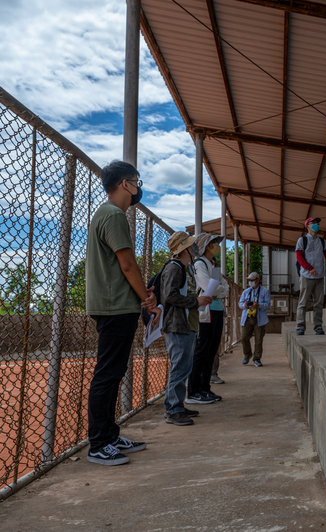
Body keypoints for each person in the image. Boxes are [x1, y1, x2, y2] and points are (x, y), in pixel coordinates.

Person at [85, 160, 158, 466]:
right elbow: (127, 264)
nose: (138, 187)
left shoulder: (106, 214)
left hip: (114, 305)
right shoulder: (114, 214)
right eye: (136, 181)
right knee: (107, 374)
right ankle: (99, 443)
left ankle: (110, 436)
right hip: (115, 306)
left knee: (112, 374)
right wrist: (147, 298)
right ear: (126, 183)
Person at [161, 231, 213, 426]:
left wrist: (197, 300)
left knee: (184, 366)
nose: (194, 249)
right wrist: (195, 301)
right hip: (177, 324)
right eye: (190, 246)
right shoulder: (174, 268)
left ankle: (177, 406)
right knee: (179, 367)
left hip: (186, 323)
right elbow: (170, 295)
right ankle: (173, 409)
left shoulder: (184, 268)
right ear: (184, 249)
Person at [186, 233, 229, 404]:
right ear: (205, 246)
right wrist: (218, 290)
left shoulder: (214, 264)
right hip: (205, 313)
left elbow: (224, 287)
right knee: (202, 351)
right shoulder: (199, 264)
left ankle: (205, 389)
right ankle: (194, 391)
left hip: (217, 311)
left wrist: (218, 290)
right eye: (213, 243)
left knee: (211, 351)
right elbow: (206, 286)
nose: (216, 245)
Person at [295, 217, 326, 335]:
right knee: (303, 302)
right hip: (306, 275)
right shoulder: (302, 240)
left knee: (319, 303)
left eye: (317, 223)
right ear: (307, 226)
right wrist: (309, 267)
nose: (316, 225)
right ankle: (300, 326)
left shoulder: (322, 241)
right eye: (313, 223)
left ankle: (318, 327)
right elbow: (299, 256)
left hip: (320, 276)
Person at [239, 272, 271, 365]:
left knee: (258, 339)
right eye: (249, 280)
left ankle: (257, 358)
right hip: (248, 317)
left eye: (252, 280)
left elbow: (268, 305)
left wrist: (258, 305)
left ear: (257, 280)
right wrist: (244, 305)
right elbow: (240, 304)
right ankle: (247, 354)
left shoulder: (265, 291)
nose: (250, 282)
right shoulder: (246, 291)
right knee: (244, 337)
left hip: (259, 318)